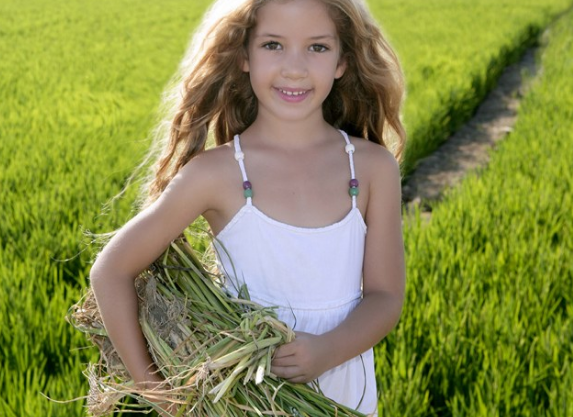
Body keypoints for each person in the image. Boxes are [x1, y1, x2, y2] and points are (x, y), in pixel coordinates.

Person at [90, 0, 406, 415]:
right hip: (246, 400)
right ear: (244, 56)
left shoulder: (370, 168)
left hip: (347, 391)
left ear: (343, 62)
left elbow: (385, 297)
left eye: (317, 48)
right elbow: (110, 270)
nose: (295, 68)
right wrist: (158, 394)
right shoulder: (216, 174)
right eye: (273, 45)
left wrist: (327, 351)